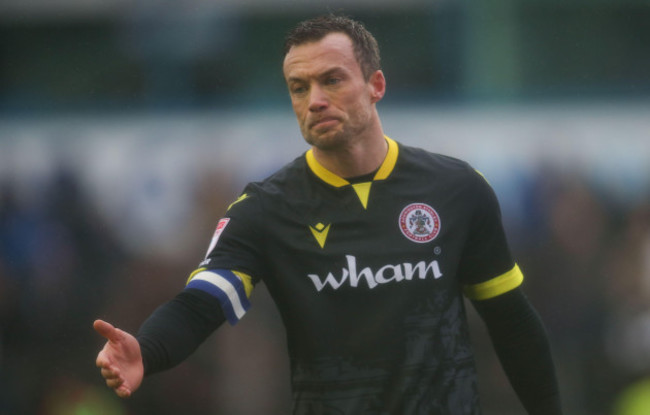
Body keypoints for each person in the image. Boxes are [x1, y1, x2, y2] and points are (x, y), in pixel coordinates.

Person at [95, 14, 564, 415]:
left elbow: (511, 319)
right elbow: (202, 301)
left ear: (376, 84)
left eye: (332, 80)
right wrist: (148, 351)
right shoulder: (265, 209)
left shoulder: (457, 189)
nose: (314, 99)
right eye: (298, 88)